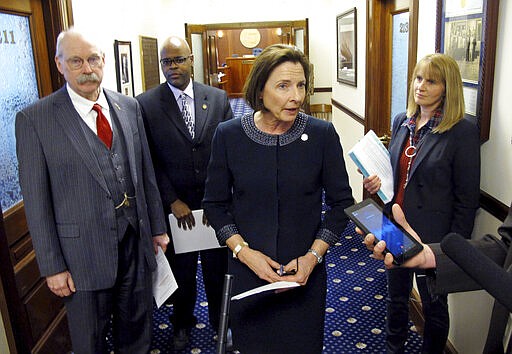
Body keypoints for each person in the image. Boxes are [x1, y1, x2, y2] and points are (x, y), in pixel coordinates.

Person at [15, 28, 169, 353]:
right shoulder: (35, 120)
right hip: (81, 258)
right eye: (76, 61)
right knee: (90, 343)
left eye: (93, 59)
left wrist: (157, 227)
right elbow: (36, 201)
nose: (88, 69)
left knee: (137, 334)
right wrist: (52, 266)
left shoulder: (128, 107)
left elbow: (145, 174)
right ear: (60, 64)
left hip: (135, 245)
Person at [202, 44, 354, 354]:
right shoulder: (228, 136)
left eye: (300, 85)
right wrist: (244, 252)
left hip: (303, 277)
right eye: (283, 86)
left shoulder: (322, 135)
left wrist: (313, 256)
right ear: (260, 90)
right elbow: (215, 205)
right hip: (248, 275)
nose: (296, 95)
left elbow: (342, 206)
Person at [363, 53, 480, 353]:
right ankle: (394, 348)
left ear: (447, 87)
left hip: (434, 237)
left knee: (434, 307)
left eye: (431, 81)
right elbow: (396, 175)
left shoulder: (462, 131)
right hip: (394, 226)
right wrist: (376, 185)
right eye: (418, 78)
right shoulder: (402, 121)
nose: (421, 86)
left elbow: (467, 199)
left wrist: (454, 250)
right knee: (396, 298)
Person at [136, 35, 233, 350]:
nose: (172, 67)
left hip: (214, 208)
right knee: (182, 274)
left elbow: (229, 152)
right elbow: (148, 160)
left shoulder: (217, 99)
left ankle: (223, 324)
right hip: (176, 211)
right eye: (166, 61)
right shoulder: (146, 104)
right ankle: (182, 325)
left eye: (178, 59)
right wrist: (171, 199)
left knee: (219, 271)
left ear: (192, 60)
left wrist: (217, 198)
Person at [362, 202, 512, 353]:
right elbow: (506, 253)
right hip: (504, 332)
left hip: (436, 232)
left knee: (434, 310)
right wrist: (431, 256)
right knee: (396, 298)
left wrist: (457, 244)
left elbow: (466, 203)